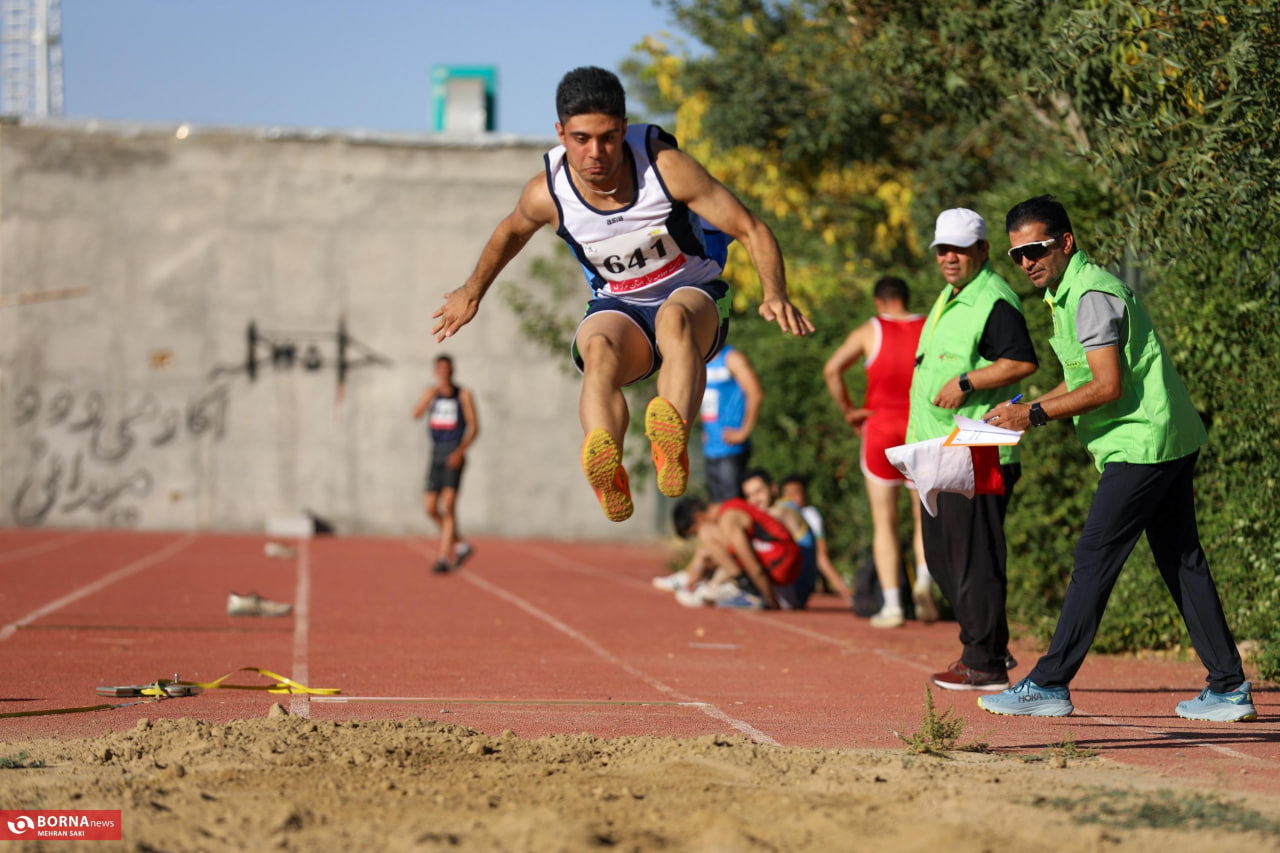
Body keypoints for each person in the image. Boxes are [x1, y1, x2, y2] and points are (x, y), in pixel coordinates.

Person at [431, 66, 812, 523]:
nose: (597, 153)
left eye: (609, 138)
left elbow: (749, 226)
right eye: (582, 139)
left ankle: (671, 441)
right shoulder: (547, 192)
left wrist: (776, 292)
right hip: (620, 304)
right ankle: (604, 459)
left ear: (625, 130)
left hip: (694, 289)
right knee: (598, 349)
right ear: (561, 133)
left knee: (675, 321)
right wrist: (471, 292)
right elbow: (510, 232)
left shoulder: (665, 168)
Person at [978, 196, 1256, 721]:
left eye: (1035, 249)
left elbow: (1107, 386)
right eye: (1016, 256)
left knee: (1093, 562)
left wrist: (1034, 417)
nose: (1027, 262)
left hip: (1141, 446)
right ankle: (1229, 688)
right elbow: (1084, 378)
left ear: (1066, 242)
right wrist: (1024, 408)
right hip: (1161, 439)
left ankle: (1050, 683)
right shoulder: (1068, 293)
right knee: (1181, 561)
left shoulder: (1090, 293)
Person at [907, 208, 1038, 690]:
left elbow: (1022, 361)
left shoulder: (993, 298)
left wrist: (967, 381)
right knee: (943, 559)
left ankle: (982, 662)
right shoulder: (952, 295)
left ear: (982, 251)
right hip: (942, 449)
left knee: (973, 559)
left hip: (979, 447)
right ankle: (990, 647)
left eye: (960, 249)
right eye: (943, 249)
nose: (949, 257)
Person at [822, 275, 930, 627]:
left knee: (884, 522)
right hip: (920, 428)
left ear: (879, 302)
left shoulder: (871, 330)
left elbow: (832, 369)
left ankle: (894, 605)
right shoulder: (930, 324)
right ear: (905, 298)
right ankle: (925, 585)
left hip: (881, 430)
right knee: (923, 517)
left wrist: (849, 410)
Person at [671, 492, 803, 611]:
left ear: (699, 517)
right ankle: (735, 586)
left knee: (707, 536)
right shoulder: (729, 507)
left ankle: (746, 590)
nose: (698, 537)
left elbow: (754, 567)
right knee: (711, 549)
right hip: (785, 570)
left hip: (782, 571)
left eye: (695, 532)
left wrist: (772, 603)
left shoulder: (728, 519)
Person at [412, 354, 479, 573]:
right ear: (435, 372)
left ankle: (443, 558)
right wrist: (428, 397)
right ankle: (460, 544)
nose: (443, 374)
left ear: (452, 371)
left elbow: (474, 427)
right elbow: (416, 414)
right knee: (430, 508)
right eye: (439, 370)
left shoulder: (464, 394)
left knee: (448, 505)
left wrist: (460, 451)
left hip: (453, 452)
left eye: (447, 370)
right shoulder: (430, 393)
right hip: (436, 453)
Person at [741, 468, 815, 609]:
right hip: (785, 584)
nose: (754, 500)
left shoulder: (784, 510)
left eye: (758, 492)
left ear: (773, 489)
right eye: (749, 496)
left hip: (795, 589)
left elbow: (774, 514)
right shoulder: (772, 511)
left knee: (739, 541)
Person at [699, 345, 764, 501]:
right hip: (710, 447)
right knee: (718, 505)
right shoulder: (700, 360)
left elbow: (755, 394)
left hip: (731, 448)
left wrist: (744, 431)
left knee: (733, 505)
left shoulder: (731, 357)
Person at [780, 474, 852, 603]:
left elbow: (820, 557)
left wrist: (844, 590)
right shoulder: (777, 512)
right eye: (788, 494)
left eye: (796, 493)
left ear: (805, 496)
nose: (791, 498)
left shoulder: (810, 515)